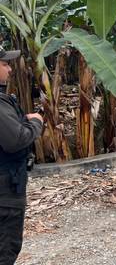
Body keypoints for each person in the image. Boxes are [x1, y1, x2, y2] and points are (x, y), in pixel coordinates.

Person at [0, 47, 43, 264]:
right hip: (5, 193)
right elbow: (15, 140)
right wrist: (35, 122)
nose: (9, 68)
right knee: (6, 250)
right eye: (5, 64)